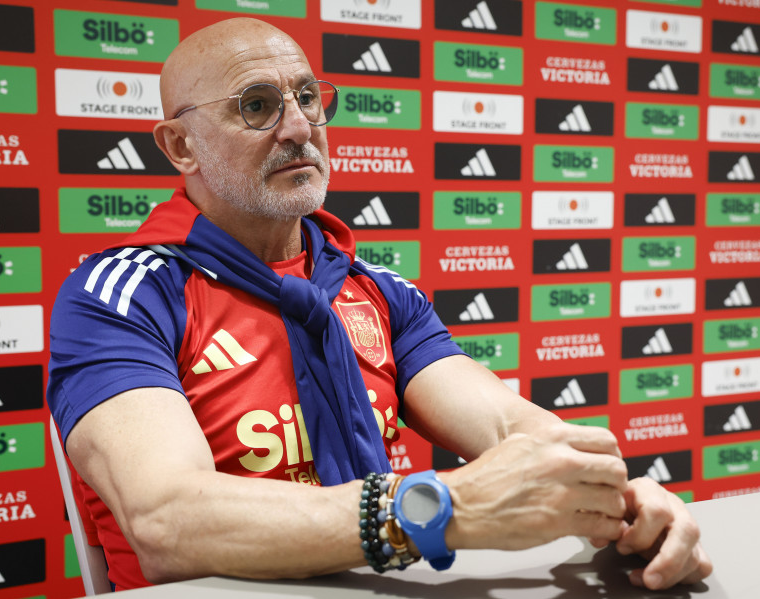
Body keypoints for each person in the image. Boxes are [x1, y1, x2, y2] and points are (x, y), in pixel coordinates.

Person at [47, 17, 712, 592]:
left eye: (308, 97)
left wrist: (617, 497)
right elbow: (168, 519)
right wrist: (435, 510)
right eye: (257, 105)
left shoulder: (378, 289)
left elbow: (507, 425)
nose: (300, 126)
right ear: (180, 146)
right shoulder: (121, 295)